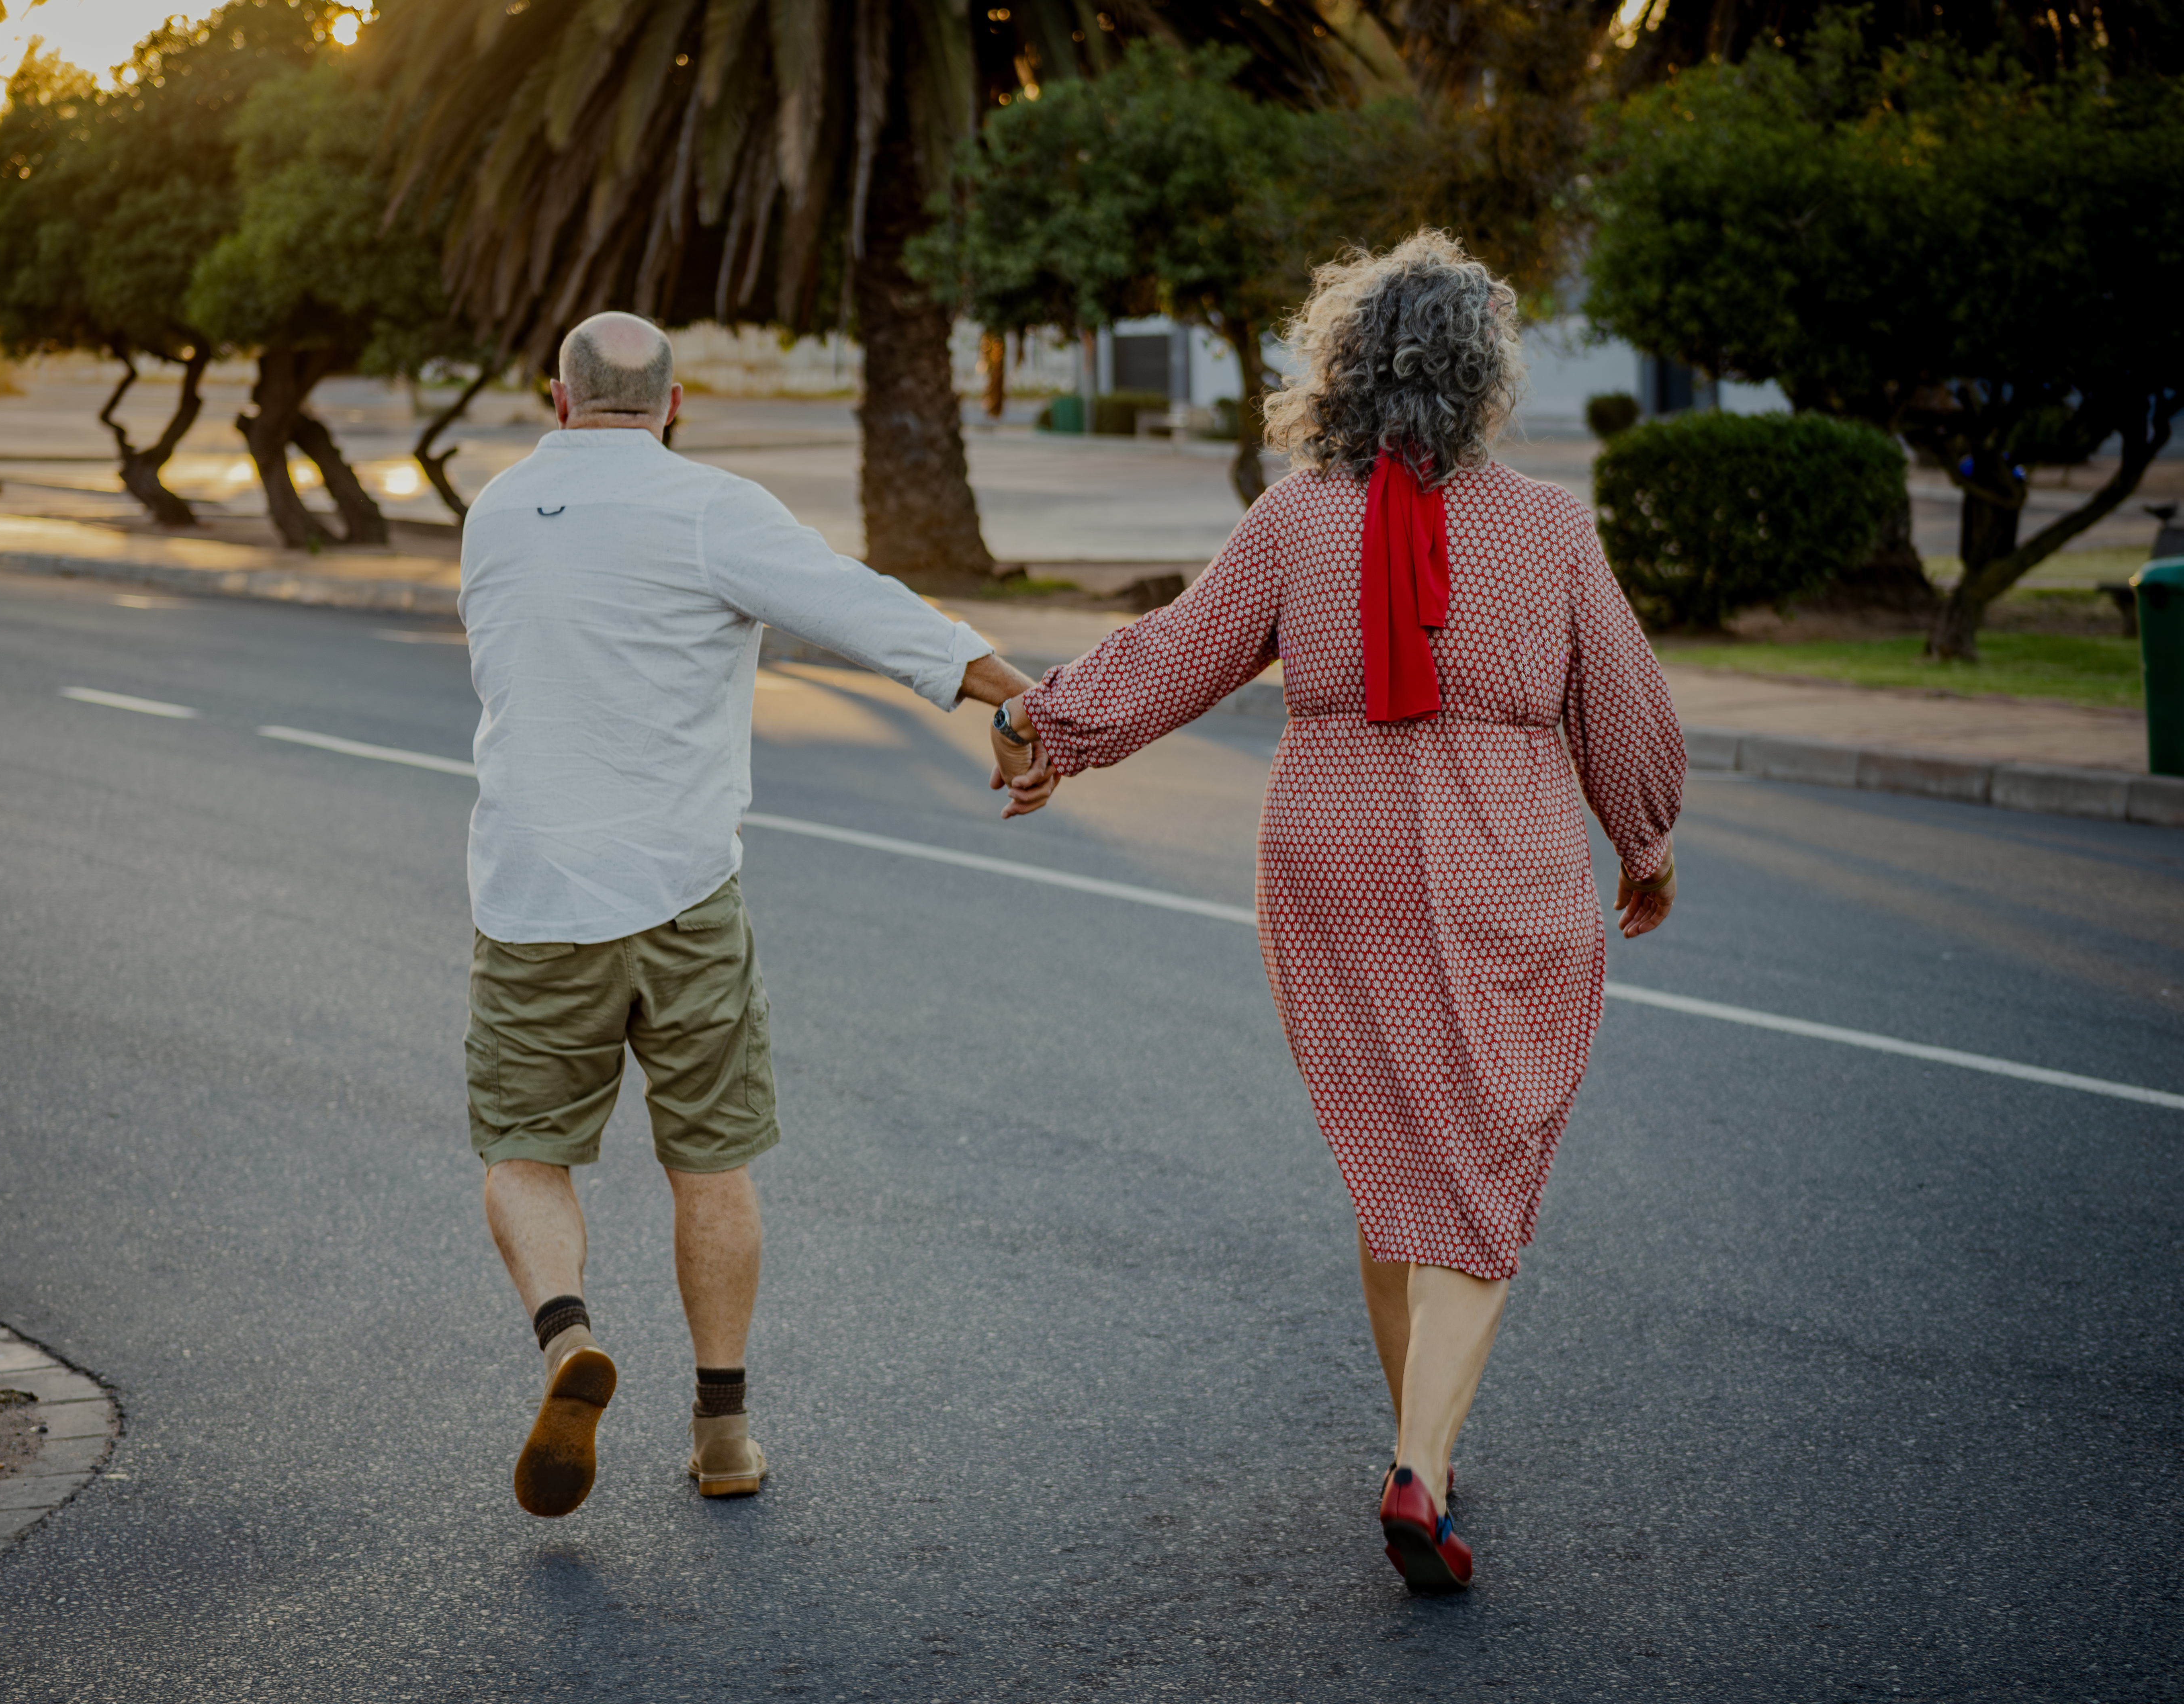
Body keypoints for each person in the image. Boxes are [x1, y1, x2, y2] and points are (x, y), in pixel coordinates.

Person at [990, 233, 1685, 1591]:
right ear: (1486, 375)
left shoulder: (1296, 515)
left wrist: (1046, 725)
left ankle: (1418, 1436)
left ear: (1341, 369)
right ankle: (1420, 1467)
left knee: (1394, 1142)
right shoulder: (1548, 527)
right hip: (1505, 859)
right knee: (1478, 1149)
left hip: (1331, 854)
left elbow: (1179, 649)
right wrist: (1645, 842)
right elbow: (1626, 701)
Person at [459, 310, 1039, 1519]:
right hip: (681, 898)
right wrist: (1015, 693)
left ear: (554, 402)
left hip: (532, 897)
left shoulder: (497, 513)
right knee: (709, 1166)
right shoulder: (709, 507)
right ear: (675, 407)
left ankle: (568, 1340)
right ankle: (723, 1432)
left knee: (525, 1154)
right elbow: (857, 604)